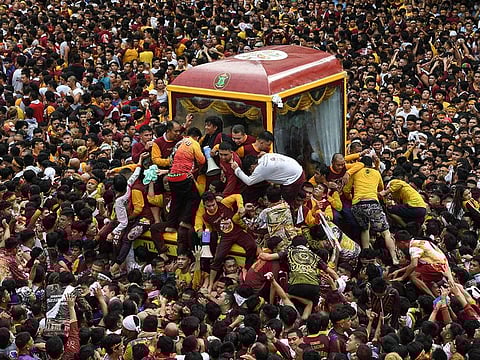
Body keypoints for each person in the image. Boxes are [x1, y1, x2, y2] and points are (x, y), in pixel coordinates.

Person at [343, 156, 399, 264]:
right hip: (373, 203)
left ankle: (367, 259)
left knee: (365, 229)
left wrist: (352, 198)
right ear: (372, 164)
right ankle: (394, 258)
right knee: (386, 232)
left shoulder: (355, 173)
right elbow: (381, 189)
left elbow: (346, 190)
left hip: (358, 204)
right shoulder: (376, 173)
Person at [232, 153, 305, 205]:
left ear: (251, 167)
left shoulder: (261, 169)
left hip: (294, 179)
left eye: (251, 171)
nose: (252, 173)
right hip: (297, 169)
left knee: (284, 204)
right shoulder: (265, 156)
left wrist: (237, 169)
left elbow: (249, 182)